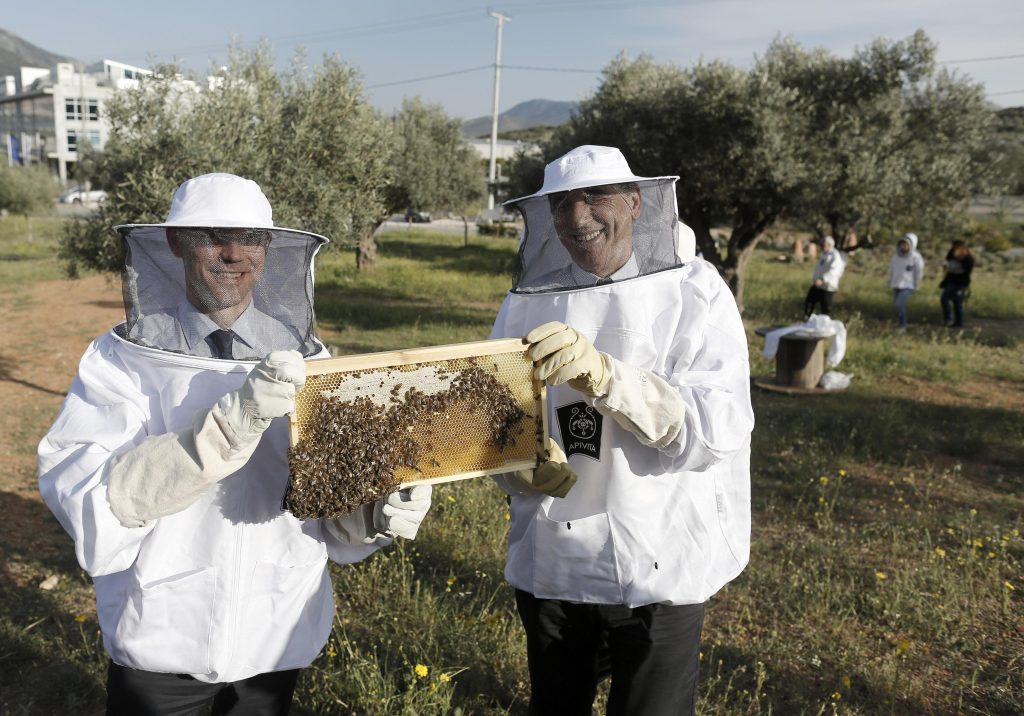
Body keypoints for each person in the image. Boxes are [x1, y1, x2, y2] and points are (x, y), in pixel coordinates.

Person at [38, 173, 432, 715]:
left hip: (275, 640)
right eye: (212, 236)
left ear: (269, 247)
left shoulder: (311, 361)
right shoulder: (120, 361)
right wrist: (224, 430)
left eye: (250, 237)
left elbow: (328, 519)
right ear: (176, 243)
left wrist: (375, 511)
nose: (233, 253)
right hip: (162, 642)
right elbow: (90, 496)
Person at [490, 145, 753, 715]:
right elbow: (492, 412)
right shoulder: (526, 299)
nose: (577, 216)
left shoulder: (695, 290)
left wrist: (608, 377)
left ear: (636, 203)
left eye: (596, 197)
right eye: (561, 203)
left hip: (658, 556)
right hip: (554, 558)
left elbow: (714, 430)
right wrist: (517, 465)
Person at [887, 232, 925, 331]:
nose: (903, 246)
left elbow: (919, 271)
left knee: (900, 304)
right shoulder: (896, 257)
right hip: (896, 285)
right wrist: (889, 281)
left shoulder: (916, 257)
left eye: (906, 244)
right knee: (897, 305)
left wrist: (917, 284)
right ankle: (900, 323)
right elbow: (891, 270)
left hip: (908, 286)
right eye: (901, 244)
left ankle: (903, 325)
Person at [803, 235, 846, 319]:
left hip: (827, 287)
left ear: (829, 245)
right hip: (818, 285)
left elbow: (834, 271)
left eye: (824, 244)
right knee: (809, 302)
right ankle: (807, 319)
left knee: (825, 308)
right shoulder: (824, 254)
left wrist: (823, 279)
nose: (822, 246)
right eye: (822, 244)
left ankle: (825, 326)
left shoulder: (835, 256)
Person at [939, 239, 974, 327]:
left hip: (960, 283)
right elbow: (949, 267)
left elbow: (967, 271)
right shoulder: (951, 254)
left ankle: (956, 321)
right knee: (949, 300)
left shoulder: (968, 258)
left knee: (954, 301)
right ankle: (953, 321)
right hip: (952, 281)